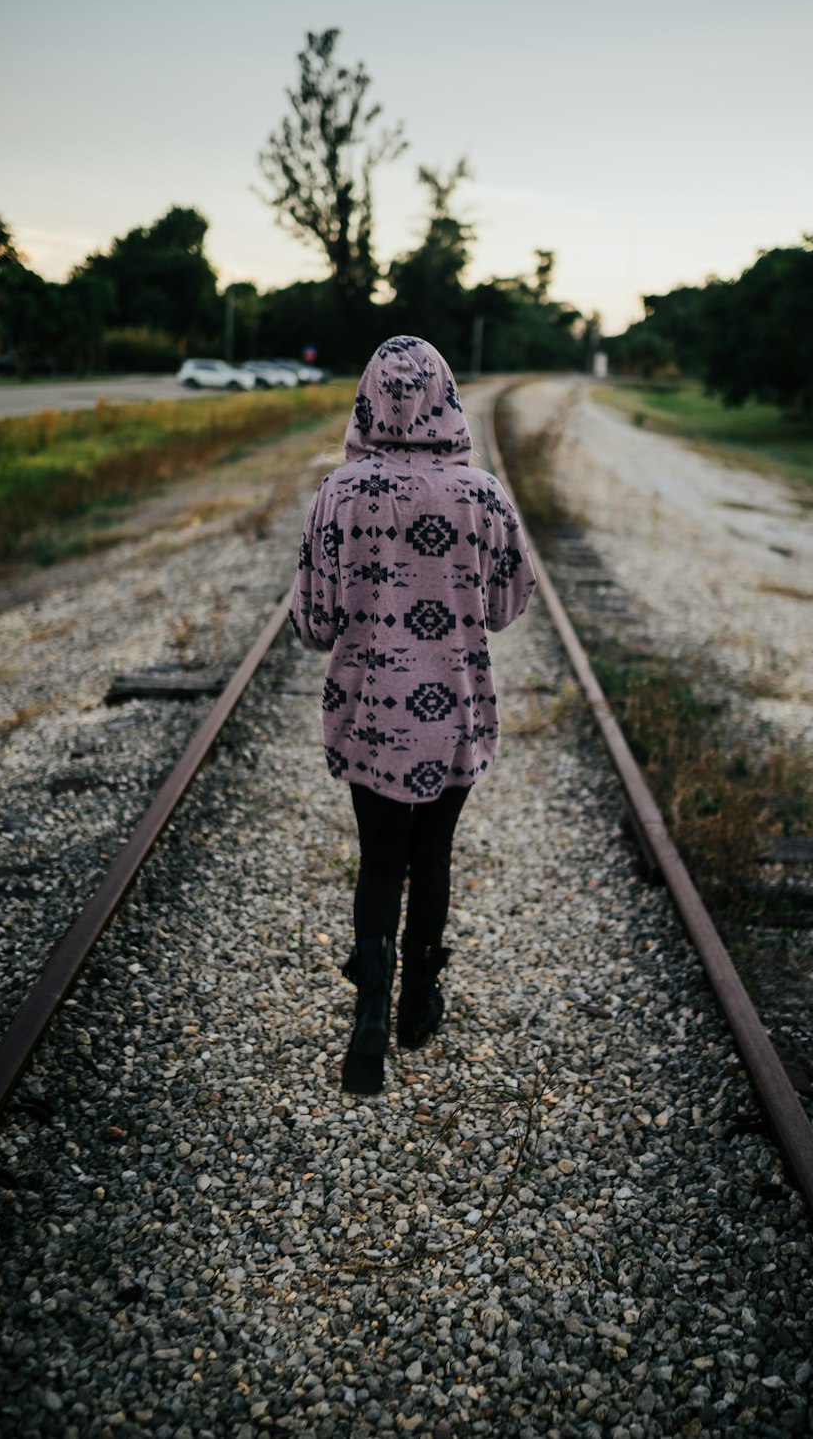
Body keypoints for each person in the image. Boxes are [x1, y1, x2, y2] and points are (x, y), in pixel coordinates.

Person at [289, 336, 536, 1094]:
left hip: (368, 715)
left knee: (380, 858)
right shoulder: (485, 494)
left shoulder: (339, 493)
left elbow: (314, 626)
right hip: (454, 712)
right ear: (449, 398)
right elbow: (507, 604)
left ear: (366, 398)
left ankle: (368, 1011)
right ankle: (418, 1000)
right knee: (432, 857)